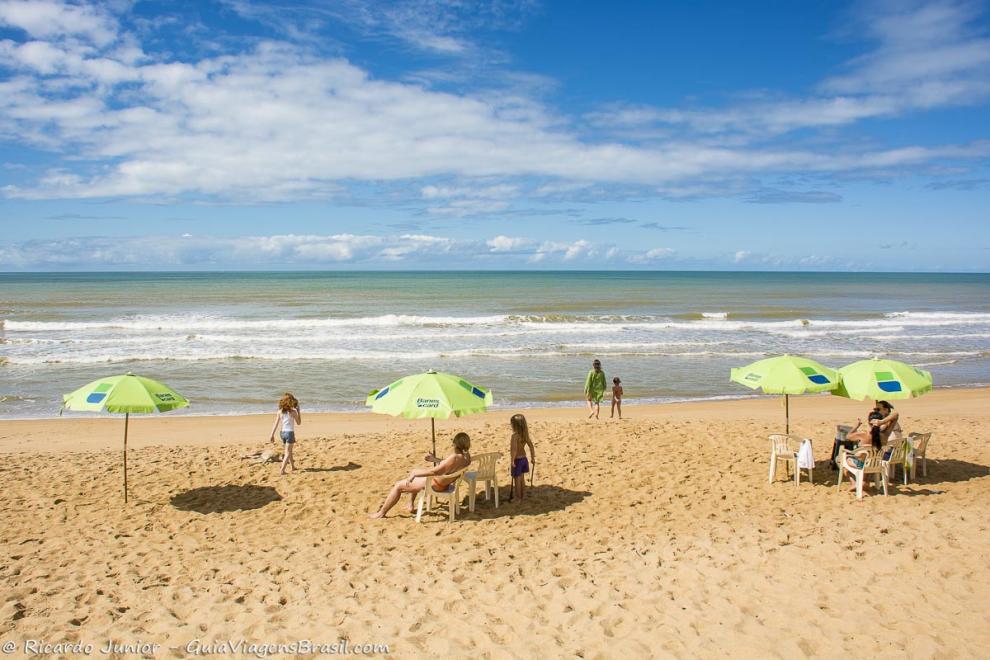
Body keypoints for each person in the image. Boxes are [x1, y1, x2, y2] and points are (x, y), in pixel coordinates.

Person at [368, 432, 472, 519]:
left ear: (454, 444)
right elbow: (449, 466)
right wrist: (435, 459)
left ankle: (381, 513)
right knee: (416, 471)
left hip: (435, 484)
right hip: (445, 484)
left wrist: (415, 474)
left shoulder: (454, 457)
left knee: (398, 485)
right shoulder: (467, 457)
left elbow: (435, 472)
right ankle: (411, 503)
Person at [269, 392, 301, 475]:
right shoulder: (293, 412)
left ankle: (293, 467)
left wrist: (271, 435)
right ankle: (282, 470)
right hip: (290, 433)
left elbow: (275, 424)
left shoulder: (280, 412)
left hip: (282, 433)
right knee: (287, 452)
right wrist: (298, 412)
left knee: (288, 451)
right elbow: (299, 423)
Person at [507, 414, 535, 502]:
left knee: (517, 480)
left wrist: (512, 461)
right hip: (524, 459)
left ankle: (518, 498)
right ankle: (522, 496)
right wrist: (533, 457)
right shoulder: (525, 435)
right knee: (522, 479)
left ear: (515, 425)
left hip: (517, 460)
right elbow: (531, 446)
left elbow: (514, 449)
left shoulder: (514, 436)